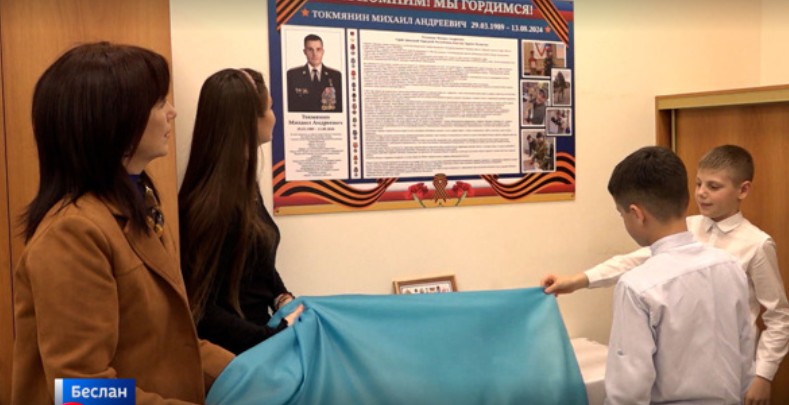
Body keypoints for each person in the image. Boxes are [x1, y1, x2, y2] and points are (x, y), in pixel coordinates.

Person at [12, 42, 233, 404]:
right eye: (159, 102)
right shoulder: (72, 233)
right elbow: (81, 391)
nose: (172, 112)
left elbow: (172, 343)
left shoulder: (139, 206)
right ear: (115, 119)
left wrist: (259, 373)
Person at [541, 145, 789, 404]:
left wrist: (762, 375)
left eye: (714, 186)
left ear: (743, 190)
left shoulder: (752, 248)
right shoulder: (690, 229)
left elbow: (771, 320)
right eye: (698, 184)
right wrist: (579, 280)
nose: (702, 193)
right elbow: (634, 260)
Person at [601, 146, 754, 403]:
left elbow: (628, 392)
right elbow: (745, 356)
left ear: (636, 214)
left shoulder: (637, 287)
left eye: (621, 214)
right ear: (685, 199)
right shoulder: (730, 266)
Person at [179, 68, 304, 355]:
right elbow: (202, 308)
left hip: (260, 342)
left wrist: (282, 298)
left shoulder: (243, 186)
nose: (274, 116)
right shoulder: (211, 204)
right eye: (270, 107)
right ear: (248, 121)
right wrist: (274, 337)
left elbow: (257, 263)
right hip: (237, 357)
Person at [287, 34, 343, 112]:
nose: (315, 54)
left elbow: (340, 108)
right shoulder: (292, 76)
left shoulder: (336, 76)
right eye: (310, 49)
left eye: (318, 49)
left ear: (323, 51)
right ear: (305, 52)